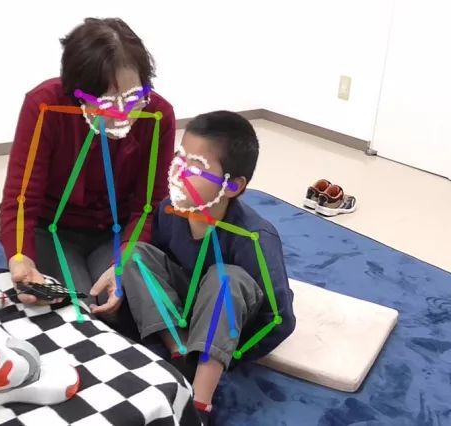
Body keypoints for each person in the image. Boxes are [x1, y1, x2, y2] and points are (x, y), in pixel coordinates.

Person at [89, 111, 296, 424]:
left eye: (195, 168)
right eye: (179, 160)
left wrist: (231, 352)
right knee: (135, 254)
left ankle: (200, 403)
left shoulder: (255, 238)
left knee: (224, 278)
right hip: (189, 305)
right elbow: (156, 265)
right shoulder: (168, 210)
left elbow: (279, 319)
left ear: (232, 186)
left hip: (228, 317)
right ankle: (178, 349)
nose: (178, 174)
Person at [0, 18, 175, 309]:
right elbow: (20, 198)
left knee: (119, 298)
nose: (123, 114)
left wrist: (125, 259)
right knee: (76, 301)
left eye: (134, 97)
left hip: (115, 230)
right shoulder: (44, 105)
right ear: (77, 94)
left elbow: (148, 205)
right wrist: (21, 257)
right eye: (107, 102)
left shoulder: (158, 115)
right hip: (53, 228)